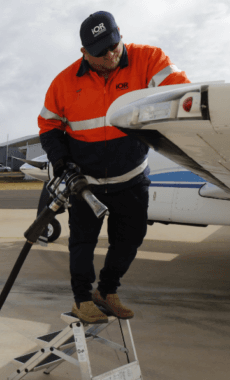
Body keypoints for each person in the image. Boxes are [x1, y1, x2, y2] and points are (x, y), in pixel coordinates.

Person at [37, 11, 190, 324]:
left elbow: (181, 91)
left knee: (131, 238)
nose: (110, 54)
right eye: (100, 52)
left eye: (114, 45)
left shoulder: (149, 60)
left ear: (120, 33)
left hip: (131, 178)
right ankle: (82, 298)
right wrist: (62, 163)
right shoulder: (64, 83)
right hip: (86, 182)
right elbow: (48, 125)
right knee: (82, 243)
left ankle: (106, 291)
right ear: (84, 53)